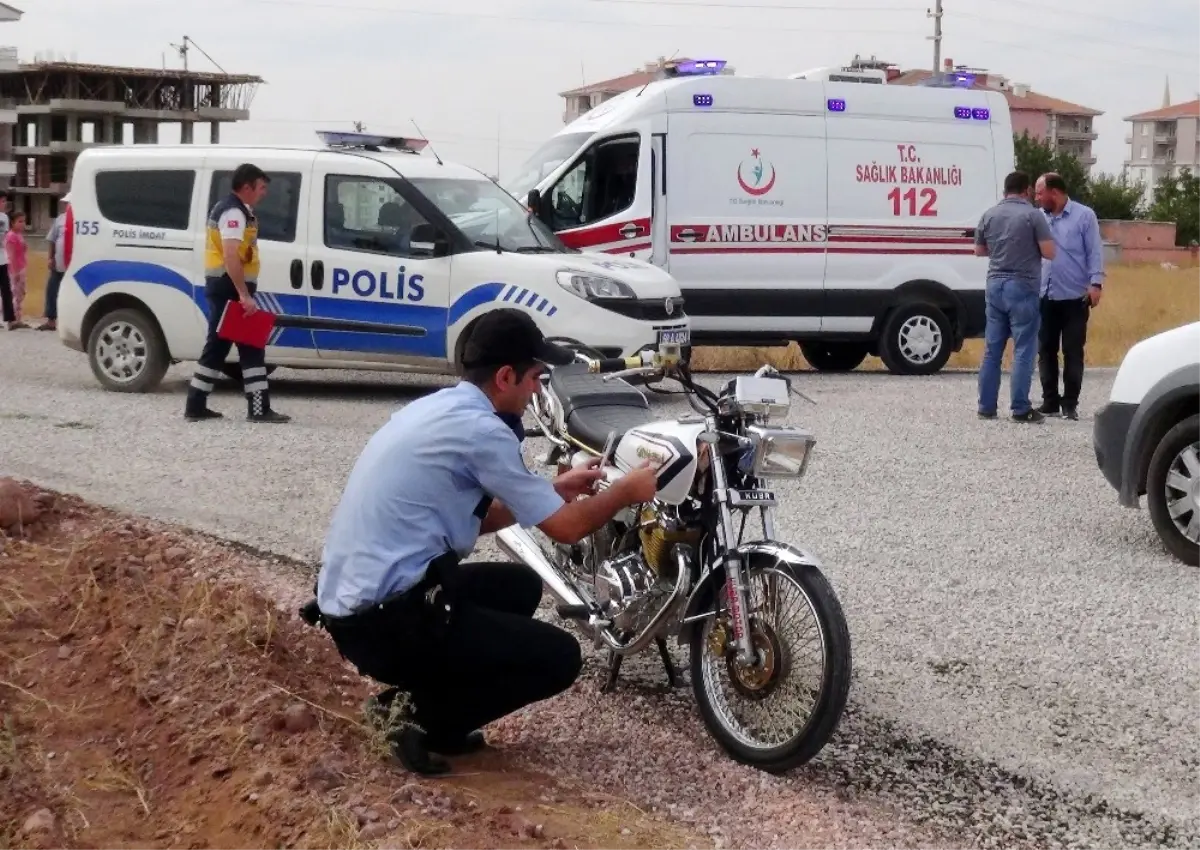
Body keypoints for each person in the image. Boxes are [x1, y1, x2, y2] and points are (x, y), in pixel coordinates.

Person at [308, 307, 660, 776]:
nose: (538, 389)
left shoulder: (442, 408)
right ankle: (408, 715)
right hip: (382, 624)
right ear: (506, 375)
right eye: (536, 377)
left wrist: (551, 491)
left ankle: (439, 710)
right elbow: (568, 530)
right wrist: (626, 492)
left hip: (356, 605)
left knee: (520, 587)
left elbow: (472, 516)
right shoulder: (483, 432)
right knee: (559, 658)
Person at [183, 163, 290, 423]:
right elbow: (231, 255)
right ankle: (256, 409)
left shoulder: (239, 211)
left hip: (226, 288)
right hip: (229, 289)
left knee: (223, 348)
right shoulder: (234, 213)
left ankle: (198, 406)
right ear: (246, 187)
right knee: (246, 347)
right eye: (261, 187)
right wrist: (244, 294)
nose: (264, 193)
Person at [974, 170, 1057, 423]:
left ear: (1005, 191)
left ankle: (986, 407)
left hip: (994, 285)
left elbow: (979, 250)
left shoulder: (989, 214)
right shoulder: (1033, 215)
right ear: (1026, 190)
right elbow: (1049, 252)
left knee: (992, 349)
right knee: (1023, 348)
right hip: (1022, 285)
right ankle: (1020, 408)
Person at [1035, 172, 1105, 421]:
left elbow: (1094, 251)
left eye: (1040, 192)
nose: (1037, 198)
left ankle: (1070, 404)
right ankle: (1050, 401)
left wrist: (1096, 283)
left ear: (1054, 192)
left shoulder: (1084, 216)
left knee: (1073, 351)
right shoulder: (1039, 217)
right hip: (1045, 294)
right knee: (1045, 350)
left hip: (1075, 296)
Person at [40, 193, 69, 332]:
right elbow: (52, 239)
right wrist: (50, 257)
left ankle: (70, 323)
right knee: (52, 290)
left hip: (73, 266)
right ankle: (51, 320)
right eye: (66, 203)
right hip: (58, 263)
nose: (67, 205)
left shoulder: (82, 220)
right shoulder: (60, 219)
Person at [3, 210, 28, 331]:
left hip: (21, 267)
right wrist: (15, 272)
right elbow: (11, 255)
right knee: (14, 294)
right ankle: (12, 320)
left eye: (24, 221)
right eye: (20, 221)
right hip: (15, 270)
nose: (23, 224)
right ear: (12, 223)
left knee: (20, 294)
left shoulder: (19, 235)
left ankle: (17, 318)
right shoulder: (11, 236)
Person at [0, 195, 15, 330]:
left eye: (5, 201)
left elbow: (5, 237)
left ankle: (10, 320)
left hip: (2, 259)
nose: (5, 203)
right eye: (2, 201)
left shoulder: (4, 217)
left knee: (6, 290)